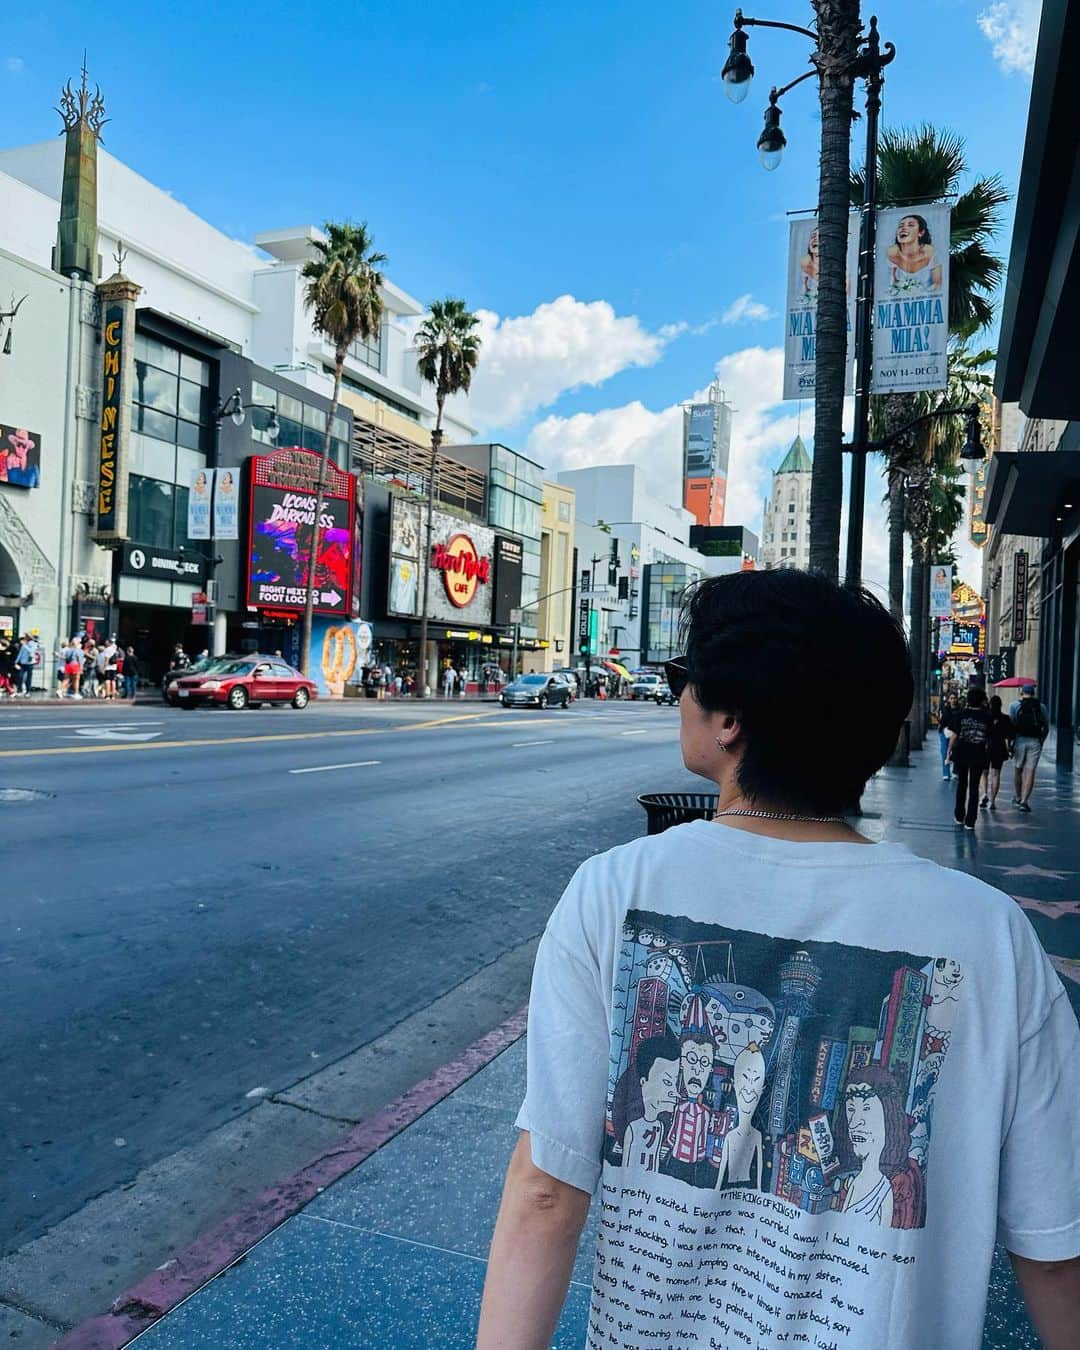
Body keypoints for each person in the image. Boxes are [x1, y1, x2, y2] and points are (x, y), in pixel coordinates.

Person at [477, 568, 1080, 1350]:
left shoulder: (615, 889)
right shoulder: (993, 935)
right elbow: (1057, 1249)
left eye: (682, 679)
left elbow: (547, 1192)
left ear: (729, 718)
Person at [948, 686, 992, 830]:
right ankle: (971, 821)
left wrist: (949, 751)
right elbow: (989, 738)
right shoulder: (987, 716)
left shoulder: (961, 714)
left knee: (962, 784)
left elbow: (954, 735)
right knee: (974, 786)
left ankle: (959, 815)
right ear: (981, 701)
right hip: (978, 754)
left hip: (962, 753)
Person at [1009, 685, 1049, 813]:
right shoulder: (1041, 707)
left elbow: (1012, 724)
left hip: (1019, 740)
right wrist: (1041, 741)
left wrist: (1010, 743)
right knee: (1030, 771)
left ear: (1022, 693)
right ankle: (1024, 801)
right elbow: (1046, 726)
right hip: (1035, 741)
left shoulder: (1015, 706)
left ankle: (1018, 796)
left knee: (1017, 769)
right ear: (1033, 693)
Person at [886, 213, 943, 292]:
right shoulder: (892, 253)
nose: (903, 228)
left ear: (921, 232)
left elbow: (937, 284)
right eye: (901, 226)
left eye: (910, 225)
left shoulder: (931, 253)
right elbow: (892, 284)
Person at [980, 694, 1013, 810]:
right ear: (1001, 705)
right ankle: (993, 801)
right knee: (996, 774)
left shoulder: (985, 717)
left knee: (984, 773)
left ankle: (984, 793)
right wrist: (1009, 747)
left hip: (985, 747)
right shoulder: (1006, 718)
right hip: (999, 748)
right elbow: (1010, 736)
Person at [937, 690, 960, 781]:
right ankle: (946, 773)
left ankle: (955, 771)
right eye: (951, 698)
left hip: (955, 733)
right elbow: (942, 721)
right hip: (944, 732)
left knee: (956, 752)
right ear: (948, 699)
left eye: (954, 698)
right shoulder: (945, 709)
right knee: (944, 752)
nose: (953, 700)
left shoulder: (960, 710)